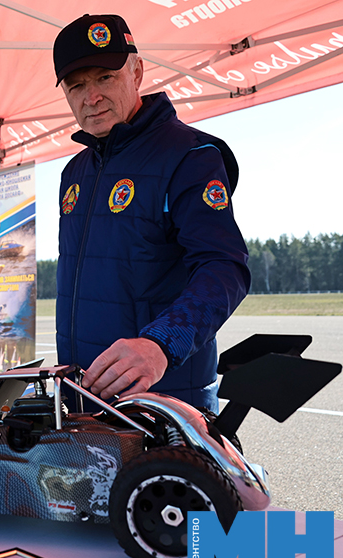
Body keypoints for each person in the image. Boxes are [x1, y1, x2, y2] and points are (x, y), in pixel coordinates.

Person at [52, 14, 251, 412]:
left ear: (137, 71)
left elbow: (224, 266)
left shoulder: (190, 155)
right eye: (77, 86)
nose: (91, 97)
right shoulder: (74, 172)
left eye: (104, 78)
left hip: (166, 405)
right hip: (86, 404)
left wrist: (161, 343)